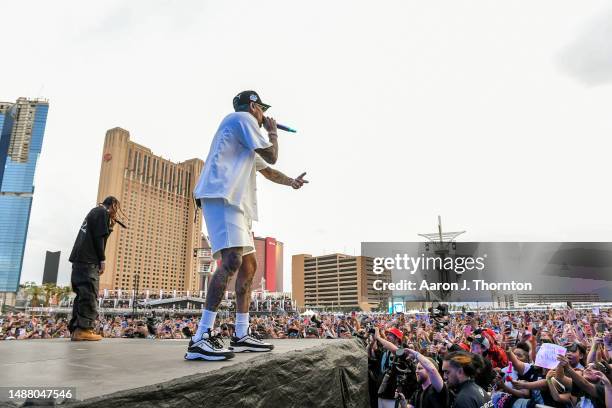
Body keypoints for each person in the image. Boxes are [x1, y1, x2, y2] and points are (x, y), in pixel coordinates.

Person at [187, 90, 308, 361]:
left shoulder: (245, 139)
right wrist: (272, 130)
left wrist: (291, 182)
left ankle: (241, 334)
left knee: (249, 266)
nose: (264, 116)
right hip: (221, 195)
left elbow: (268, 169)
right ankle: (201, 336)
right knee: (231, 261)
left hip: (236, 204)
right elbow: (273, 154)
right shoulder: (240, 119)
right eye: (261, 110)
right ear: (253, 107)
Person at [68, 196, 121, 341]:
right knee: (89, 294)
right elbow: (99, 240)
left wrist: (109, 228)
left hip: (79, 259)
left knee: (82, 295)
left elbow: (99, 236)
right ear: (114, 205)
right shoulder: (102, 212)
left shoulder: (95, 212)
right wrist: (102, 260)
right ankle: (84, 329)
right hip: (88, 260)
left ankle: (77, 329)